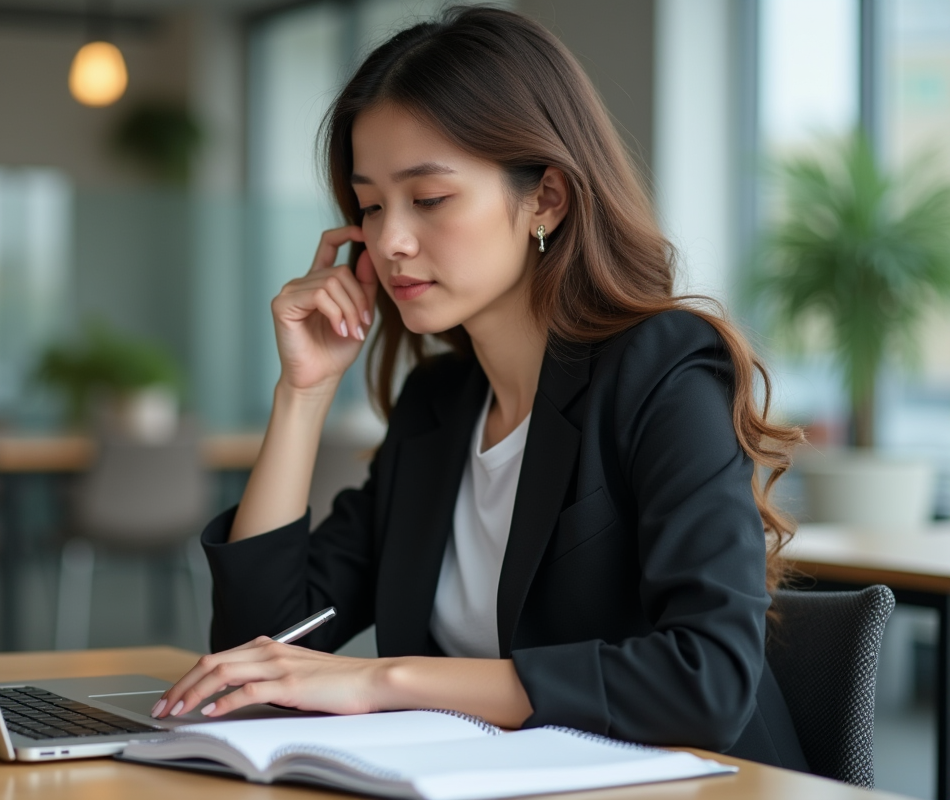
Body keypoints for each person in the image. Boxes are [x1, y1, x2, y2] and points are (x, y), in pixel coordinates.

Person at [152, 6, 808, 770]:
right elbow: (258, 654)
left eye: (428, 199)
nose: (391, 240)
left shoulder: (661, 370)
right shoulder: (440, 408)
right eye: (369, 205)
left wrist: (385, 681)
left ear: (547, 200)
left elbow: (708, 682)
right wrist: (302, 394)